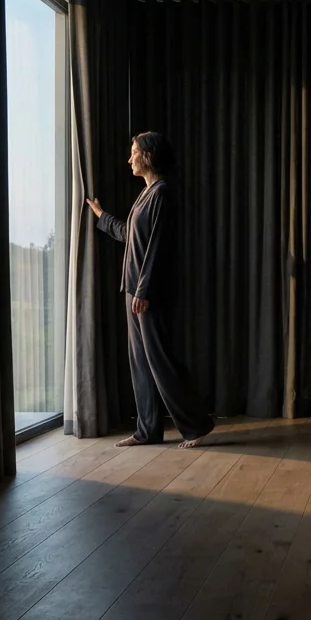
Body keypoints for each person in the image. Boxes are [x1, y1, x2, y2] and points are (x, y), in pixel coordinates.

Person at [86, 132, 213, 449]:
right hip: (134, 291)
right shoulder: (146, 194)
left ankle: (196, 425)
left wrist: (144, 290)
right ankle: (147, 431)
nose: (129, 158)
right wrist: (101, 216)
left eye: (133, 152)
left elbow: (158, 247)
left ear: (148, 155)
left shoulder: (162, 194)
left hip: (148, 294)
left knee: (160, 361)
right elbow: (130, 235)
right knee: (141, 363)